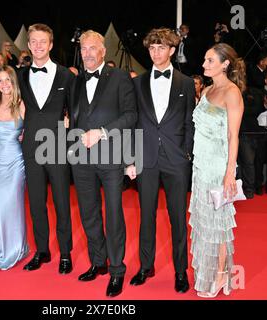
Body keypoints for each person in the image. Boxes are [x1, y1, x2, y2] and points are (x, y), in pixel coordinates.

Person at [126, 27, 195, 293]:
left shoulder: (186, 83)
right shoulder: (137, 82)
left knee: (178, 218)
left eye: (161, 48)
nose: (156, 53)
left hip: (176, 160)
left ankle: (181, 271)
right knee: (146, 216)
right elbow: (132, 124)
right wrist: (130, 159)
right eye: (152, 48)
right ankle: (146, 266)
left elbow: (189, 122)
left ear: (172, 50)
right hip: (146, 159)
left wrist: (186, 154)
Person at [69, 30, 137, 297]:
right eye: (84, 48)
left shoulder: (120, 77)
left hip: (111, 157)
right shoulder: (75, 80)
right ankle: (98, 262)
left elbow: (131, 115)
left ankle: (117, 269)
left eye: (92, 48)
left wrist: (103, 132)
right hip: (81, 159)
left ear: (103, 51)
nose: (87, 53)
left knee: (114, 215)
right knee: (89, 214)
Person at [189, 43, 245, 297]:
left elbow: (234, 136)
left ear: (225, 63)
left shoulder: (232, 93)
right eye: (204, 59)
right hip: (200, 167)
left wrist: (229, 173)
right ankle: (210, 272)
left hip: (218, 168)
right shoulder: (208, 89)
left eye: (210, 60)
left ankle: (222, 275)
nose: (204, 65)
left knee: (218, 225)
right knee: (203, 222)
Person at [18, 23, 74, 274]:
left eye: (43, 41)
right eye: (34, 41)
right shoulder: (20, 75)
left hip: (57, 145)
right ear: (28, 45)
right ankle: (42, 250)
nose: (38, 46)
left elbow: (75, 112)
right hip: (30, 144)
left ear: (51, 45)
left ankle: (65, 253)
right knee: (36, 202)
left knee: (62, 202)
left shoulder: (66, 75)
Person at [0, 66, 29, 270]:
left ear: (14, 83)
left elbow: (32, 132)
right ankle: (5, 249)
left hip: (15, 163)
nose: (4, 85)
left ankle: (16, 249)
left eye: (8, 80)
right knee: (0, 208)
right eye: (0, 81)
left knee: (12, 205)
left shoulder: (21, 105)